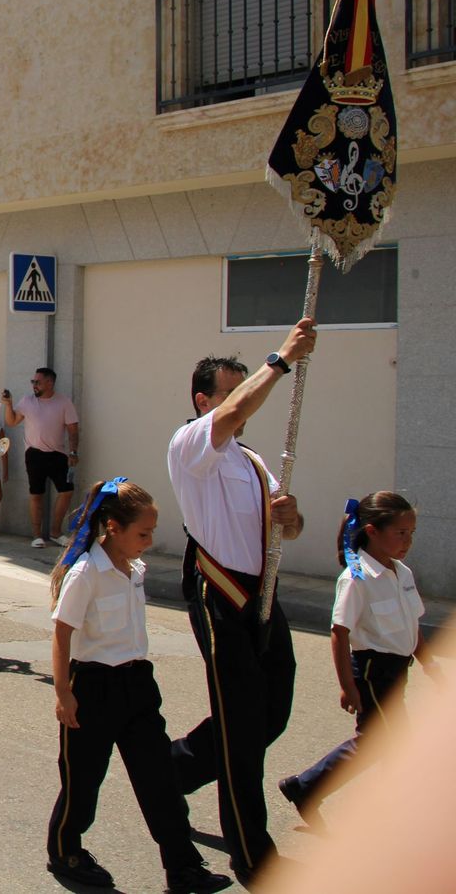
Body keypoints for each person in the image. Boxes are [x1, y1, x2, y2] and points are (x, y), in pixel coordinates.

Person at [166, 319, 315, 886]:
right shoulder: (192, 443)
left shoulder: (251, 459)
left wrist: (290, 517)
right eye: (229, 390)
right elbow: (229, 416)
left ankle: (176, 766)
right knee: (241, 721)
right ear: (204, 400)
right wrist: (280, 359)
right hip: (218, 588)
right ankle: (253, 853)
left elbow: (291, 527)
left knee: (270, 710)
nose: (239, 400)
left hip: (263, 592)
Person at [46, 478, 233, 894]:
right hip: (92, 687)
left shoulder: (134, 569)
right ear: (112, 526)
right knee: (83, 779)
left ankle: (183, 867)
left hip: (137, 685)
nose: (148, 542)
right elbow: (61, 633)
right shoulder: (86, 573)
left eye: (151, 533)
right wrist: (63, 693)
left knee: (159, 779)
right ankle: (66, 849)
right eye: (142, 533)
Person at [279, 492, 439, 821]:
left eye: (411, 533)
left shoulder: (402, 573)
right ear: (372, 532)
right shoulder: (356, 579)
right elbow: (340, 633)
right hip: (371, 671)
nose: (408, 541)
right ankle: (393, 809)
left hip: (397, 670)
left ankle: (307, 786)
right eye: (400, 533)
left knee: (378, 742)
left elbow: (413, 624)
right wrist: (347, 685)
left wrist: (429, 662)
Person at [3, 367, 81, 548]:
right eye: (33, 382)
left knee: (66, 491)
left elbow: (73, 429)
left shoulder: (64, 402)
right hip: (34, 454)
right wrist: (8, 404)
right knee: (36, 494)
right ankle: (37, 535)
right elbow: (12, 421)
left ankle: (55, 532)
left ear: (49, 383)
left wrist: (73, 451)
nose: (34, 385)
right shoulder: (27, 401)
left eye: (37, 382)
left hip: (58, 454)